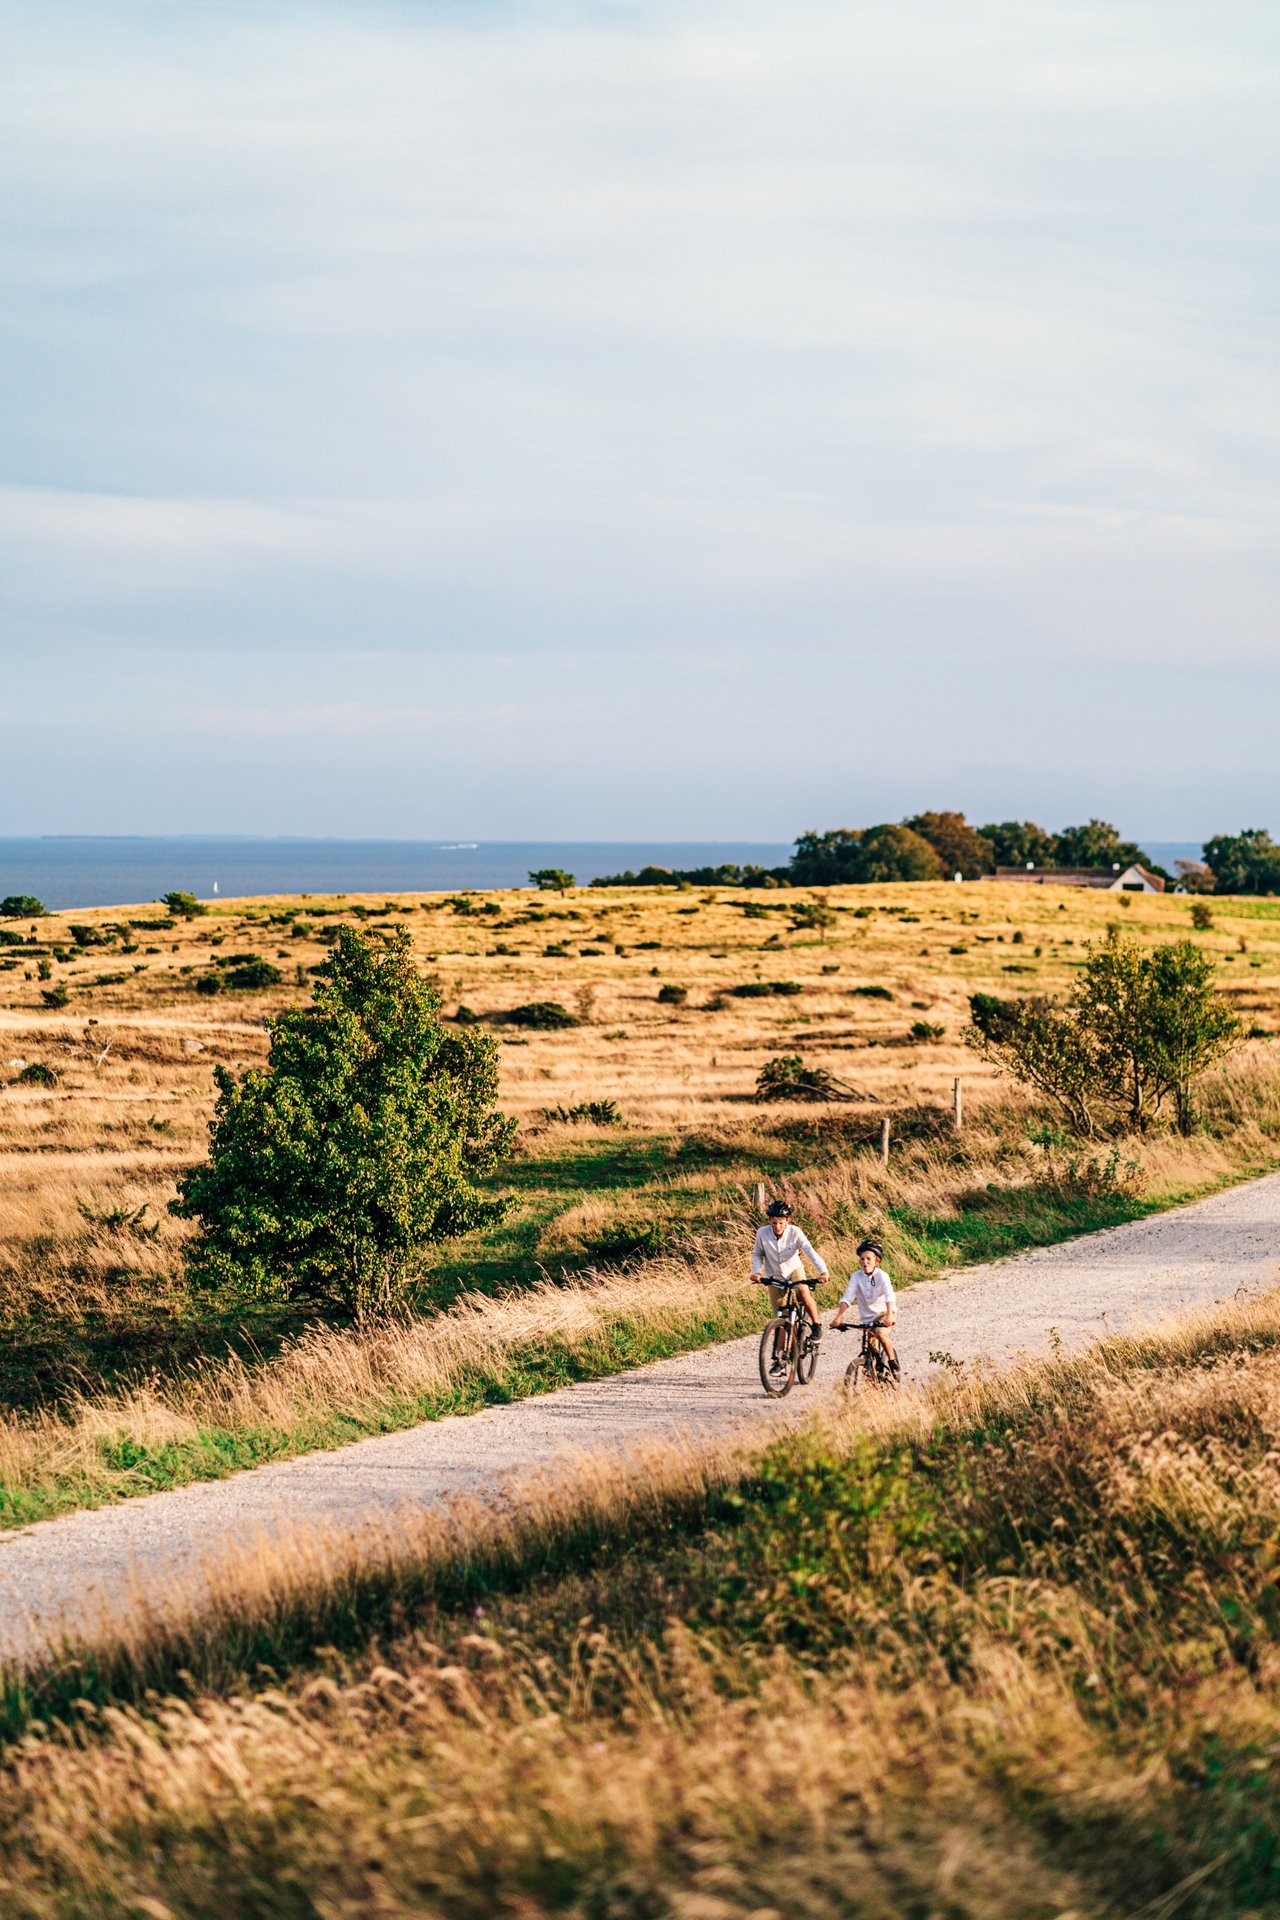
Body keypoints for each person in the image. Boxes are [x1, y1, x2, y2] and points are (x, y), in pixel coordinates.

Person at [751, 1199, 830, 1365]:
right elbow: (758, 1254)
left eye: (780, 1222)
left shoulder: (795, 1232)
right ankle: (780, 1359)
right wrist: (757, 1272)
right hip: (774, 1276)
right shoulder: (762, 1233)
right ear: (769, 1221)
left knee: (802, 1292)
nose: (777, 1226)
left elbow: (809, 1251)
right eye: (774, 1223)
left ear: (787, 1220)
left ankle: (816, 1325)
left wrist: (822, 1271)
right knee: (781, 1318)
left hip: (794, 1270)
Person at [832, 1237, 899, 1377]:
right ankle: (873, 1373)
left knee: (880, 1334)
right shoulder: (856, 1277)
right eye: (862, 1259)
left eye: (869, 1259)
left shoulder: (882, 1276)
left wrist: (889, 1315)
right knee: (870, 1349)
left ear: (877, 1261)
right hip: (867, 1318)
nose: (865, 1262)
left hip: (883, 1314)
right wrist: (839, 1317)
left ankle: (893, 1363)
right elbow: (848, 1297)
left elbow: (889, 1295)